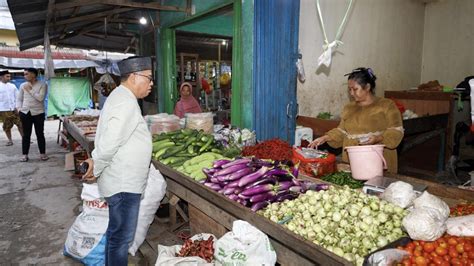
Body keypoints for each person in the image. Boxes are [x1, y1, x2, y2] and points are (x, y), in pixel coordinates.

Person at [81, 56, 154, 266]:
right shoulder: (125, 103)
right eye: (148, 78)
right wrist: (96, 164)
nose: (151, 84)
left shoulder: (122, 97)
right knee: (120, 239)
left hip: (120, 179)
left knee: (115, 236)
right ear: (133, 77)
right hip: (124, 184)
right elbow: (110, 142)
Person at [309, 67, 404, 173]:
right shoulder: (349, 108)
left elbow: (396, 131)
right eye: (349, 89)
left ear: (367, 87)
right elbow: (341, 131)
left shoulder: (386, 105)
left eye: (355, 89)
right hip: (352, 161)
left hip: (377, 159)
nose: (351, 93)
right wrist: (325, 137)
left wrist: (378, 139)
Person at [16, 68, 48, 162]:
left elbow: (41, 98)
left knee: (40, 134)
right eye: (24, 74)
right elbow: (19, 99)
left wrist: (30, 90)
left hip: (38, 112)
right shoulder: (22, 85)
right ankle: (24, 155)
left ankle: (43, 154)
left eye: (26, 74)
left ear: (33, 75)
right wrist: (19, 108)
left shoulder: (42, 84)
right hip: (25, 112)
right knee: (26, 135)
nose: (24, 76)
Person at [0, 70, 23, 146]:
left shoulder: (12, 86)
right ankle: (10, 140)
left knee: (20, 124)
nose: (9, 78)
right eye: (7, 76)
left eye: (9, 76)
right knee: (7, 126)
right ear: (1, 77)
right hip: (4, 109)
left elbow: (17, 97)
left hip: (14, 109)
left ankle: (24, 139)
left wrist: (17, 107)